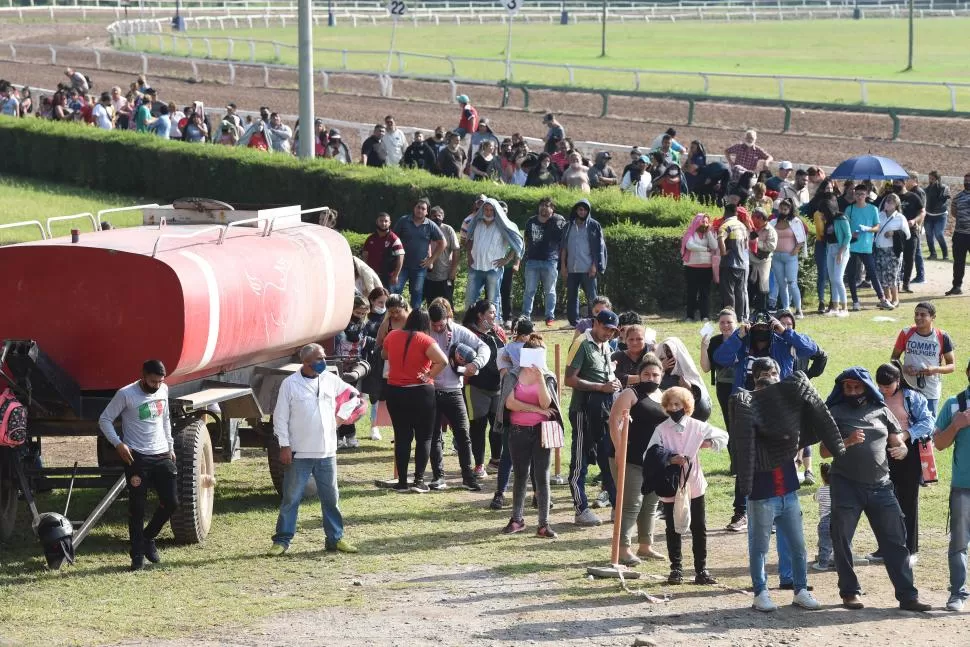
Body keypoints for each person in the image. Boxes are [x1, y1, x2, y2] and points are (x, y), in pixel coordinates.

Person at [821, 367, 931, 612]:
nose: (852, 391)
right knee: (842, 539)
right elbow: (824, 452)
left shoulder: (882, 411)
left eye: (856, 387)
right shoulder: (835, 412)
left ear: (866, 387)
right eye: (847, 388)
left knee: (896, 541)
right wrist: (847, 442)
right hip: (846, 484)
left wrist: (902, 449)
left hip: (881, 486)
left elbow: (896, 440)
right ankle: (850, 592)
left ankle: (907, 596)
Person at [734, 358, 823, 612]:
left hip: (789, 492)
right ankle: (760, 593)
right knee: (759, 547)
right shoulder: (746, 415)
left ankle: (801, 590)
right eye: (765, 392)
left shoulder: (786, 417)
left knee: (798, 546)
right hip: (762, 494)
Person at [268, 344, 363, 556]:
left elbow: (354, 395)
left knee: (331, 498)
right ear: (306, 362)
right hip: (299, 453)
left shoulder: (329, 379)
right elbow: (280, 418)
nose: (323, 361)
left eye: (323, 357)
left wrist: (339, 419)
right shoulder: (290, 384)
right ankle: (282, 540)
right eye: (319, 358)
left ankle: (335, 539)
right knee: (291, 498)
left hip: (327, 452)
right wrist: (284, 445)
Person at [97, 360, 177, 571]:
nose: (157, 385)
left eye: (160, 381)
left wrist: (170, 446)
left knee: (171, 502)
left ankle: (148, 537)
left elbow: (166, 419)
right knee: (137, 508)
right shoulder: (126, 394)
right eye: (153, 381)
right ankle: (137, 554)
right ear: (143, 376)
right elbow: (104, 419)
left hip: (161, 454)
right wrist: (118, 444)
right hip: (137, 457)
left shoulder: (164, 390)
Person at [647, 387, 728, 585]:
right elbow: (649, 455)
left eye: (678, 404)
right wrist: (669, 459)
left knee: (699, 526)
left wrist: (707, 443)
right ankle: (676, 569)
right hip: (671, 484)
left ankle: (701, 569)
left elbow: (723, 437)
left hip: (694, 484)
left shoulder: (697, 426)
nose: (674, 408)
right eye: (670, 405)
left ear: (686, 406)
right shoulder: (661, 429)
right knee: (673, 526)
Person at [871, 361, 935, 564]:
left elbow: (928, 421)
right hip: (882, 452)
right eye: (880, 386)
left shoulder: (912, 397)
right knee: (883, 501)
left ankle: (910, 549)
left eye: (887, 387)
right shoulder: (875, 396)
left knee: (907, 500)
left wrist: (906, 435)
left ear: (898, 382)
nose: (883, 390)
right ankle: (885, 547)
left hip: (909, 454)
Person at [499, 334, 562, 538]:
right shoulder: (512, 376)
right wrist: (535, 409)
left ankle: (544, 524)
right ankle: (517, 519)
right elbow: (510, 404)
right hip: (518, 431)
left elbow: (547, 404)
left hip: (541, 432)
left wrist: (540, 379)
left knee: (542, 477)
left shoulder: (548, 376)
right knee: (520, 475)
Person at [608, 354, 668, 564]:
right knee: (632, 502)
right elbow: (614, 421)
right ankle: (623, 548)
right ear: (639, 376)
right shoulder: (631, 393)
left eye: (655, 374)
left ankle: (645, 546)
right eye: (646, 374)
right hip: (630, 457)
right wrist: (618, 449)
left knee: (650, 504)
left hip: (654, 460)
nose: (651, 378)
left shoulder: (664, 396)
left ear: (662, 376)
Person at [382, 310, 448, 493]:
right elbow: (442, 361)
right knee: (424, 437)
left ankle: (402, 481)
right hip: (420, 392)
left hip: (395, 391)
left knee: (402, 436)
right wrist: (428, 375)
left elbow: (384, 355)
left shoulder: (393, 335)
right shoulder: (425, 340)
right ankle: (419, 480)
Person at [565, 309, 621, 527]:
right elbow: (569, 379)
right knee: (580, 461)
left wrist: (613, 384)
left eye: (613, 330)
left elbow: (606, 376)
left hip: (605, 411)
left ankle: (617, 505)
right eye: (606, 328)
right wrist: (601, 387)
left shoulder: (607, 345)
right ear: (596, 323)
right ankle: (581, 509)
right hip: (582, 410)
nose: (609, 333)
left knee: (607, 457)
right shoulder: (581, 342)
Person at [427, 300, 489, 491]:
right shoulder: (425, 330)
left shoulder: (459, 331)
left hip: (454, 389)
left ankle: (468, 476)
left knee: (463, 434)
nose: (437, 328)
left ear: (448, 318)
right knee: (434, 435)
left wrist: (476, 364)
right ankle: (438, 477)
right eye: (434, 325)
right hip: (431, 389)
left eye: (441, 324)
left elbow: (483, 347)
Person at [933, 358, 970, 611]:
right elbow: (939, 443)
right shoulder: (955, 403)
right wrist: (956, 425)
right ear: (968, 372)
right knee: (959, 542)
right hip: (963, 487)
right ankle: (958, 593)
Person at [462, 300, 508, 477]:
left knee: (498, 426)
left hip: (498, 388)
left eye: (495, 312)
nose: (494, 315)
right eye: (490, 312)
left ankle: (495, 461)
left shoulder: (499, 332)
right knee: (478, 426)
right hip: (476, 387)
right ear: (480, 315)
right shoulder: (468, 334)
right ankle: (479, 465)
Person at [464, 198, 524, 325]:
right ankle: (469, 325)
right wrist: (469, 256)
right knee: (470, 299)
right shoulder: (476, 223)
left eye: (491, 210)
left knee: (493, 300)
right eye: (486, 209)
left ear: (496, 211)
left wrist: (507, 259)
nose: (488, 212)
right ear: (482, 210)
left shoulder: (504, 225)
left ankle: (494, 326)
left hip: (494, 269)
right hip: (475, 267)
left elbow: (517, 243)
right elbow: (468, 240)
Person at [890, 301, 956, 413]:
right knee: (907, 422)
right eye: (916, 314)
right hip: (907, 387)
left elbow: (952, 366)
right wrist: (904, 368)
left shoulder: (942, 336)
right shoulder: (906, 333)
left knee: (928, 425)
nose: (918, 317)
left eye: (923, 315)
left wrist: (934, 369)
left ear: (933, 317)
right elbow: (894, 359)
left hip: (930, 389)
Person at [845, 184, 893, 311]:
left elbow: (877, 227)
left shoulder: (873, 209)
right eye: (857, 194)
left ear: (866, 195)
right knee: (851, 274)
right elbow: (845, 226)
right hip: (852, 245)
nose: (860, 197)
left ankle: (882, 299)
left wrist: (868, 229)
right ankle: (855, 301)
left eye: (862, 194)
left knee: (872, 273)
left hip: (866, 246)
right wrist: (851, 233)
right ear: (854, 195)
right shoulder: (849, 209)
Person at [522, 197, 567, 326]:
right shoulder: (531, 221)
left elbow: (563, 240)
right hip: (532, 261)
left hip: (550, 261)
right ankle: (525, 316)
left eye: (547, 206)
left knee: (550, 291)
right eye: (542, 205)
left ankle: (549, 317)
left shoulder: (557, 221)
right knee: (529, 290)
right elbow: (526, 238)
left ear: (552, 209)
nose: (544, 208)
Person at [392, 198, 445, 310]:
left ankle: (415, 320)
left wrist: (431, 259)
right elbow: (393, 238)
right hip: (402, 266)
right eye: (418, 207)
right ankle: (393, 316)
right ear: (414, 208)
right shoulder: (403, 221)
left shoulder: (430, 225)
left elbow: (442, 243)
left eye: (423, 208)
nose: (420, 210)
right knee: (395, 291)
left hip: (419, 267)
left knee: (417, 294)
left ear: (427, 212)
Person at [561, 199, 606, 328]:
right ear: (576, 210)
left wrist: (594, 266)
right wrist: (563, 266)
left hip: (588, 268)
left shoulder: (594, 225)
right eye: (580, 209)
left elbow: (598, 248)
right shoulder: (568, 226)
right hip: (571, 268)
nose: (582, 212)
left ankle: (595, 322)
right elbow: (563, 247)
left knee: (592, 297)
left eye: (585, 209)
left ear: (588, 211)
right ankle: (573, 322)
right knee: (572, 296)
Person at [657, 337, 712, 422]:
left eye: (671, 351)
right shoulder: (658, 370)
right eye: (666, 351)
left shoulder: (687, 373)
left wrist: (690, 389)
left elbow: (702, 407)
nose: (668, 355)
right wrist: (660, 369)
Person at [768, 198, 807, 316]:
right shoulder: (774, 222)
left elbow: (801, 239)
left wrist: (796, 250)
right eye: (781, 208)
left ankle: (799, 309)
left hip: (790, 256)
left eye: (786, 209)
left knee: (792, 282)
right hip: (776, 256)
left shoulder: (795, 222)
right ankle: (786, 308)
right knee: (781, 283)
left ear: (790, 209)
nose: (783, 210)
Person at [680, 212, 717, 323]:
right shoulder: (690, 233)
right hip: (691, 267)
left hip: (707, 267)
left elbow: (714, 246)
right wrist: (705, 249)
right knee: (691, 292)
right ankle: (689, 316)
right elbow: (690, 246)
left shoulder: (710, 233)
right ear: (697, 222)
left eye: (707, 222)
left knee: (704, 293)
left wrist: (709, 233)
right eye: (703, 221)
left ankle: (704, 316)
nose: (705, 224)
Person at [875, 192, 910, 308]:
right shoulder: (880, 215)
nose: (887, 203)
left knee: (892, 275)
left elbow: (907, 235)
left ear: (896, 204)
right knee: (882, 275)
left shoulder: (900, 218)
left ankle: (895, 299)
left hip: (893, 251)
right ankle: (887, 298)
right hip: (880, 248)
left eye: (890, 201)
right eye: (886, 201)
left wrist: (894, 233)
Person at [890, 178, 925, 293]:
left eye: (898, 183)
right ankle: (896, 283)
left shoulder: (913, 197)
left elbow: (922, 211)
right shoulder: (892, 198)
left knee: (909, 258)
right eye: (894, 183)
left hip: (911, 231)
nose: (896, 185)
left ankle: (906, 283)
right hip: (896, 232)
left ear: (904, 183)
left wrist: (915, 221)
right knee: (895, 257)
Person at [717, 203, 750, 321]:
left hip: (728, 263)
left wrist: (723, 252)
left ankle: (730, 317)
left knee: (728, 291)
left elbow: (721, 238)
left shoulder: (725, 225)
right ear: (736, 212)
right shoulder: (742, 226)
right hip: (741, 264)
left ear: (725, 212)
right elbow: (746, 244)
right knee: (740, 291)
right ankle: (740, 317)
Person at [823, 190, 852, 318]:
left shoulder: (841, 218)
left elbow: (848, 236)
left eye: (823, 212)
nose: (822, 214)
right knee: (832, 279)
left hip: (842, 250)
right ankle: (835, 307)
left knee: (838, 279)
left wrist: (841, 252)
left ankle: (845, 308)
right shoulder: (828, 220)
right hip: (830, 249)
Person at [423, 206, 460, 306]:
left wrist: (453, 270)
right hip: (428, 276)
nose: (437, 218)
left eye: (439, 215)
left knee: (446, 303)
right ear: (429, 217)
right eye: (434, 216)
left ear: (443, 217)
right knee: (431, 304)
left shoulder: (448, 230)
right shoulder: (425, 229)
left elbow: (456, 251)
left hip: (445, 275)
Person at [362, 212, 405, 291]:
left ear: (389, 223)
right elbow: (365, 256)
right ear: (377, 222)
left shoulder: (394, 239)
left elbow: (400, 258)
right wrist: (364, 272)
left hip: (388, 277)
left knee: (388, 299)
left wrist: (395, 275)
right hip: (372, 275)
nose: (383, 223)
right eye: (381, 221)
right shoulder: (370, 239)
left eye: (386, 221)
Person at [747, 208, 777, 314]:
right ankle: (750, 309)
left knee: (763, 285)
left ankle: (762, 311)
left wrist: (756, 243)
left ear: (760, 218)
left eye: (754, 217)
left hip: (763, 262)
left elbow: (772, 246)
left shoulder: (770, 230)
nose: (752, 219)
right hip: (751, 260)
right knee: (750, 285)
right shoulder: (752, 228)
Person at [947, 172, 970, 296]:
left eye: (969, 180)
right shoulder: (958, 197)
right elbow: (954, 212)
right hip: (960, 234)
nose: (967, 183)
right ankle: (956, 286)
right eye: (965, 180)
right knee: (958, 263)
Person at [924, 171, 951, 261]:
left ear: (937, 179)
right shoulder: (927, 189)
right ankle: (933, 254)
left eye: (932, 179)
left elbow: (943, 200)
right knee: (929, 235)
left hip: (940, 215)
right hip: (929, 215)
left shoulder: (944, 188)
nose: (930, 180)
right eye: (929, 178)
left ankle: (945, 255)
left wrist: (935, 188)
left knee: (939, 233)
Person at [812, 463, 834, 571]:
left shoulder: (821, 489)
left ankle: (823, 564)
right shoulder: (838, 489)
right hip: (838, 518)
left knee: (824, 543)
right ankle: (837, 562)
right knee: (838, 542)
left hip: (825, 519)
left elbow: (815, 498)